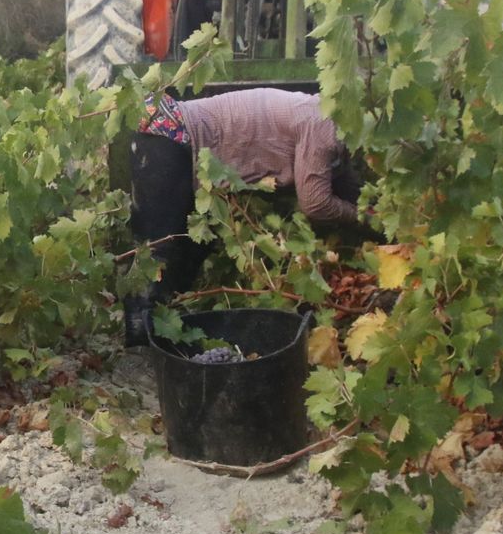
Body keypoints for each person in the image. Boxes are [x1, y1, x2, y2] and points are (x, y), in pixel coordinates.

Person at [122, 88, 358, 347]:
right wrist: (362, 218)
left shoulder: (328, 119)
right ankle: (140, 347)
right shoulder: (323, 123)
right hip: (169, 136)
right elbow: (316, 203)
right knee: (159, 248)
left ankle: (166, 334)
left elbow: (345, 187)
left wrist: (370, 218)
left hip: (178, 139)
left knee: (192, 245)